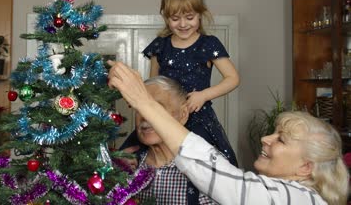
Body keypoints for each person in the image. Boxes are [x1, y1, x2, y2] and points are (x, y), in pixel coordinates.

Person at [108, 61, 349, 205]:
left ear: (305, 168)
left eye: (281, 139)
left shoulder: (295, 199)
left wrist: (143, 101)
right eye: (273, 133)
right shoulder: (127, 161)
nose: (265, 138)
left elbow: (218, 176)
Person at [121, 0, 239, 167]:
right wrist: (137, 96)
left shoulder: (208, 44)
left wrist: (203, 95)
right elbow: (153, 84)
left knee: (201, 166)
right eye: (175, 19)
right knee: (131, 160)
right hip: (164, 116)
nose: (183, 24)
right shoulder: (160, 46)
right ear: (165, 17)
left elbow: (233, 78)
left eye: (189, 17)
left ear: (201, 14)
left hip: (198, 117)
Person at [132, 75, 217, 204]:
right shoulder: (127, 167)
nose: (145, 116)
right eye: (140, 109)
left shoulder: (208, 168)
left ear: (183, 115)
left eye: (156, 108)